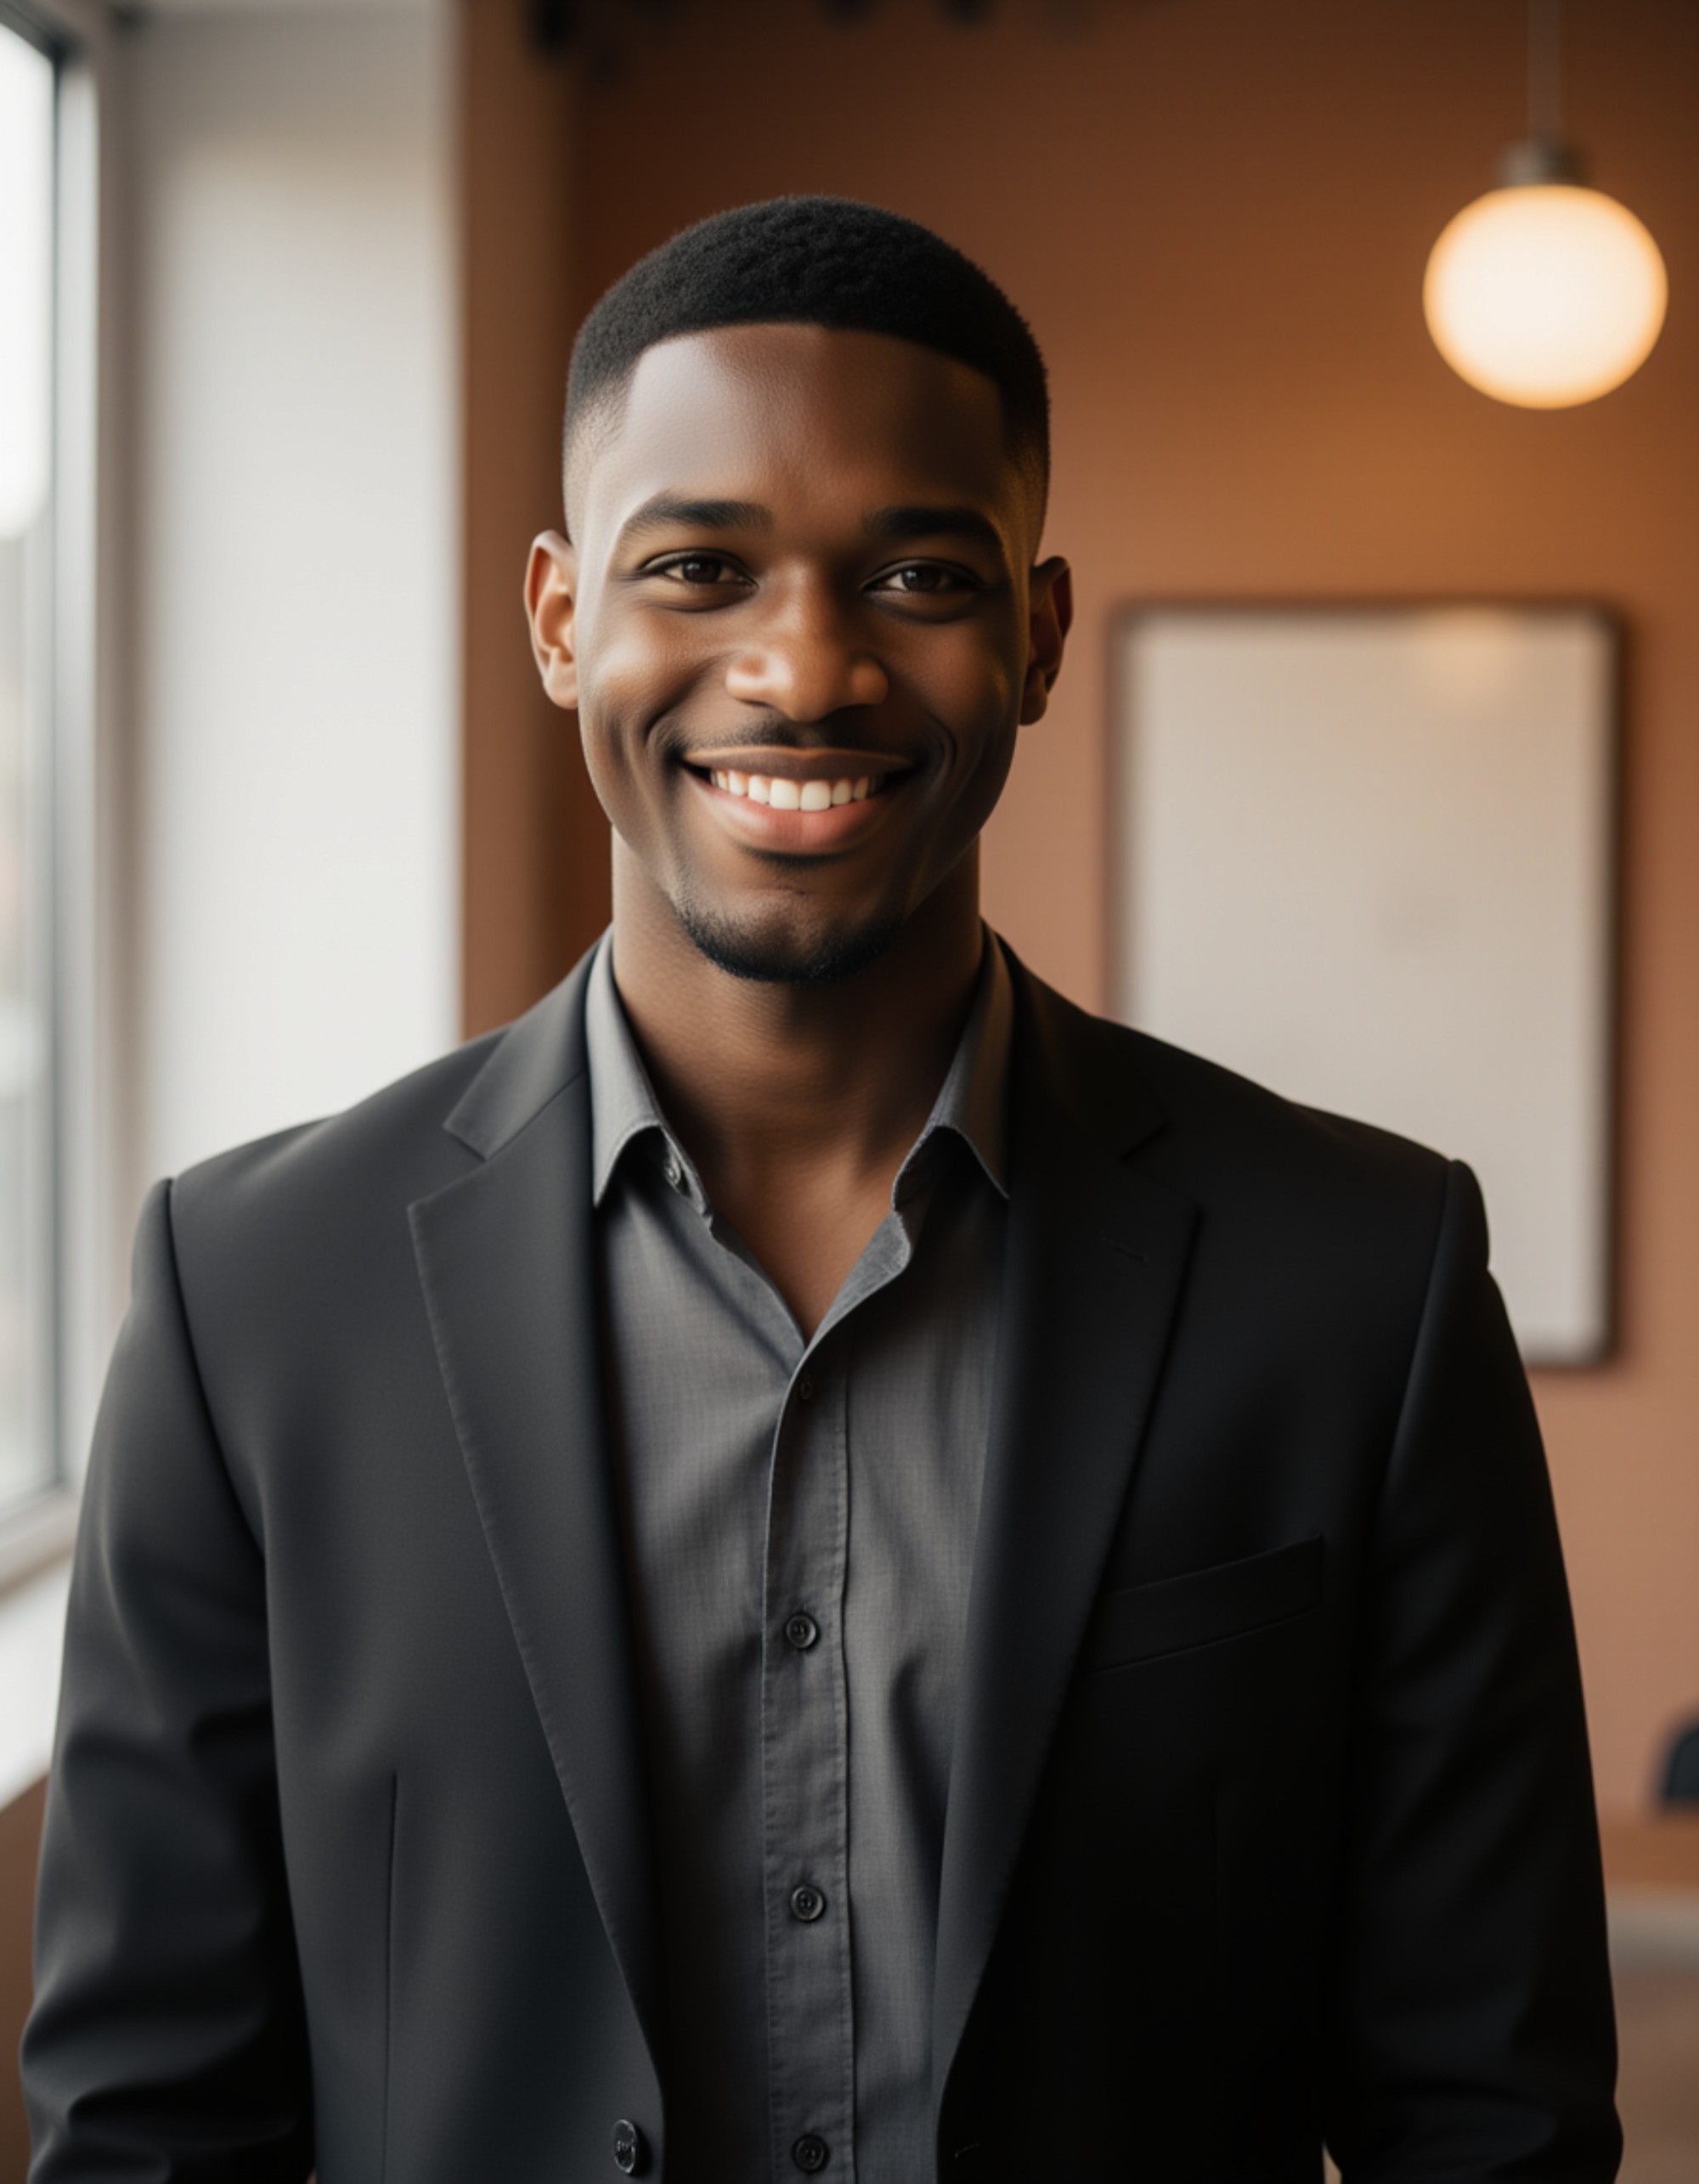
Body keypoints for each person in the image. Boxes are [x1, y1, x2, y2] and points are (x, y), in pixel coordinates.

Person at [23, 197, 1619, 2184]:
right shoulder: (247, 1294)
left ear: (1033, 633)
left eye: (916, 572)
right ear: (555, 619)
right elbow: (150, 2124)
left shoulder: (1358, 1277)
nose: (805, 665)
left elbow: (1489, 2116)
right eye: (696, 565)